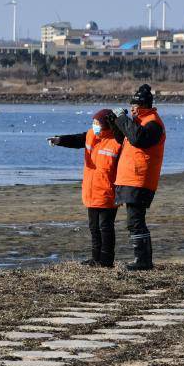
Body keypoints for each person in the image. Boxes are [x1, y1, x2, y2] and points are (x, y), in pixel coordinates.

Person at [47, 109, 123, 267]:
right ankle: (95, 259)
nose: (94, 125)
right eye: (93, 122)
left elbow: (124, 167)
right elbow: (76, 140)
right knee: (94, 227)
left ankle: (107, 260)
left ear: (106, 124)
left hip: (108, 192)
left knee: (105, 228)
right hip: (91, 191)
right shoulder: (90, 135)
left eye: (97, 123)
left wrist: (122, 192)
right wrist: (59, 140)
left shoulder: (118, 142)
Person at [105, 84, 165, 271]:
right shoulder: (138, 122)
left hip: (140, 179)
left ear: (143, 106)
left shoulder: (153, 123)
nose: (131, 109)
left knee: (136, 221)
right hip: (130, 178)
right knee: (134, 221)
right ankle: (142, 260)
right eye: (130, 107)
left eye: (134, 106)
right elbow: (123, 139)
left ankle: (143, 261)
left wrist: (123, 119)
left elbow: (138, 139)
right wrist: (115, 123)